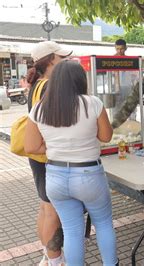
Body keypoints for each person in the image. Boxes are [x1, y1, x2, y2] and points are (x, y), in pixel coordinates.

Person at [24, 60, 118, 265]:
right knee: (103, 224)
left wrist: (53, 148)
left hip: (56, 176)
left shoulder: (40, 108)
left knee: (72, 230)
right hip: (88, 175)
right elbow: (106, 136)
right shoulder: (92, 103)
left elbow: (30, 146)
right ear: (80, 80)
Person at [25, 40, 72, 265]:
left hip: (37, 156)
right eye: (62, 58)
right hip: (47, 155)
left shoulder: (37, 84)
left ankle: (47, 255)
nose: (65, 61)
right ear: (50, 60)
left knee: (45, 208)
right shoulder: (48, 86)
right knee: (52, 211)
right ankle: (55, 259)